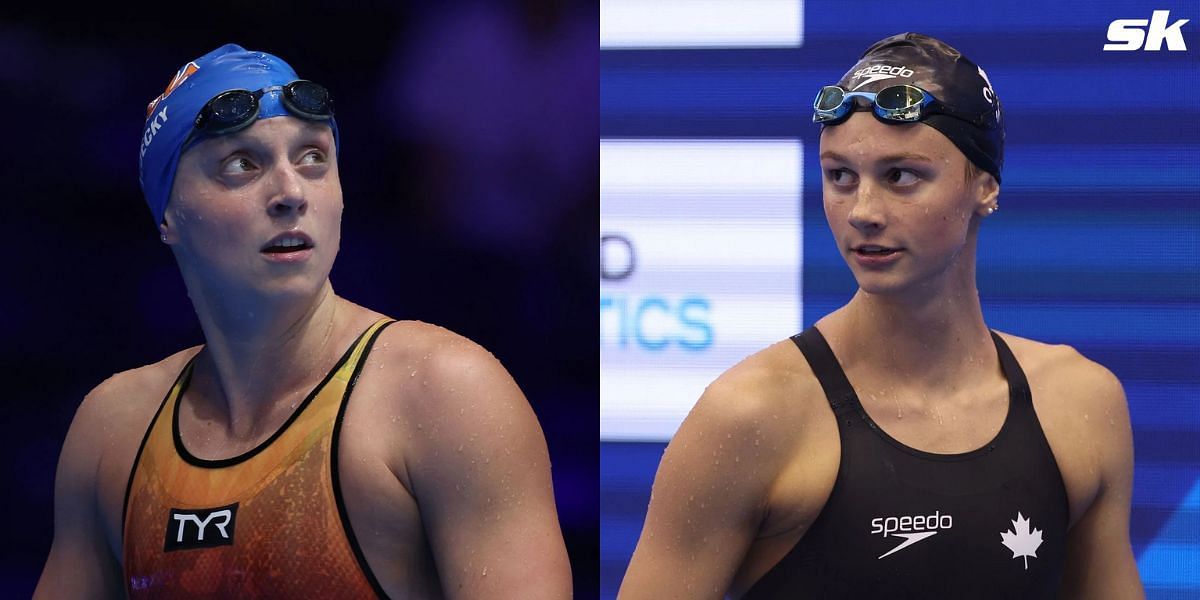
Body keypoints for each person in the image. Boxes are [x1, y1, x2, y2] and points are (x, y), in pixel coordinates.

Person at [35, 44, 571, 598]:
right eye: (241, 164)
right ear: (168, 213)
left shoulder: (443, 395)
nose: (291, 193)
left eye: (313, 158)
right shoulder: (112, 430)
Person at [618, 33, 1142, 598]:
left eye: (901, 176)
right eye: (840, 176)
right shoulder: (754, 416)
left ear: (985, 187)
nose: (863, 212)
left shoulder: (1079, 403)